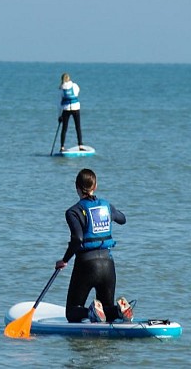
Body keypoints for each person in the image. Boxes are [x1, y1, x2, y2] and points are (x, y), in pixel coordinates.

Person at [55, 169, 132, 323]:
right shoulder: (106, 206)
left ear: (76, 187)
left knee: (72, 312)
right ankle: (119, 310)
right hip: (108, 264)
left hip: (86, 265)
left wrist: (64, 260)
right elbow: (122, 219)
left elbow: (77, 238)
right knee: (106, 313)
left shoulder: (73, 211)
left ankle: (90, 311)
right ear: (95, 186)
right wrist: (111, 211)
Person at [57, 73, 85, 152]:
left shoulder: (61, 89)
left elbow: (59, 103)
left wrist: (59, 116)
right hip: (76, 108)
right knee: (78, 127)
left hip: (66, 109)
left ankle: (62, 147)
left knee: (64, 128)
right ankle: (80, 145)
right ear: (69, 78)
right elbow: (77, 93)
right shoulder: (74, 85)